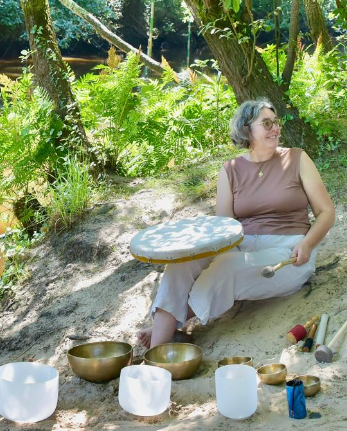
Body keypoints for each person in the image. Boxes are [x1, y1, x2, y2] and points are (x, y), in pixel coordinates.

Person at [137, 99, 335, 348]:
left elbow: (326, 211)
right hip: (241, 246)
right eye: (266, 123)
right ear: (246, 130)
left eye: (276, 122)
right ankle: (160, 345)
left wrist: (308, 244)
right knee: (180, 265)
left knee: (226, 266)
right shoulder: (230, 170)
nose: (275, 128)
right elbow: (224, 229)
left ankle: (163, 334)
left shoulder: (297, 159)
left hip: (289, 253)